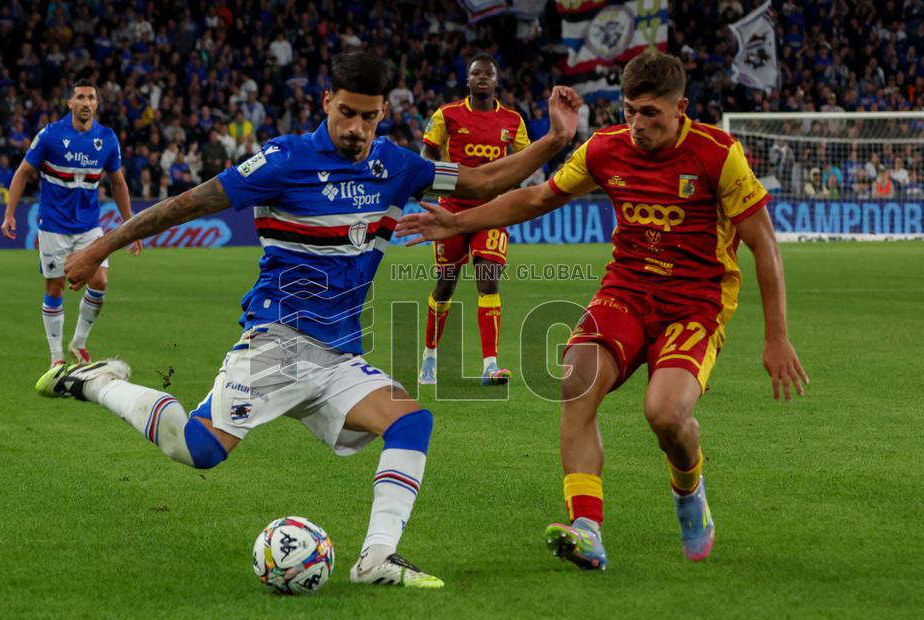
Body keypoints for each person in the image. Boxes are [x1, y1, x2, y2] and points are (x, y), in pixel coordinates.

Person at [39, 53, 580, 588]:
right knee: (198, 450)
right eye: (347, 113)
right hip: (278, 345)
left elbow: (483, 182)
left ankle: (377, 560)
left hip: (340, 356)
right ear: (326, 102)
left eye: (369, 117)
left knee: (412, 422)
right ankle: (99, 382)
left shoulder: (396, 166)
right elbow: (185, 205)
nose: (357, 128)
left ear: (383, 112)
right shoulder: (283, 160)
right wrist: (101, 248)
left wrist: (555, 141)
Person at [397, 52, 808, 570]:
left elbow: (763, 244)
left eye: (651, 114)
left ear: (680, 108)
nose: (637, 124)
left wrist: (777, 337)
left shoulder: (717, 154)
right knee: (575, 381)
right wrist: (458, 223)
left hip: (695, 304)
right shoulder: (606, 148)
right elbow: (536, 199)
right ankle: (587, 526)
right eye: (630, 110)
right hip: (627, 291)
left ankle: (688, 490)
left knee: (665, 415)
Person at [0, 80, 140, 368]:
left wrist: (131, 227)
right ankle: (56, 357)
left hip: (89, 226)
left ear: (97, 104)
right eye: (80, 97)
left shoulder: (107, 139)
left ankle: (79, 342)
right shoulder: (50, 135)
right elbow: (23, 172)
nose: (86, 102)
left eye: (91, 97)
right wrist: (9, 213)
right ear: (70, 103)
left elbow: (118, 183)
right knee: (55, 288)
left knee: (99, 281)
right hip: (53, 225)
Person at [418, 53, 531, 385]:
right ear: (467, 80)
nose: (482, 78)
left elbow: (524, 161)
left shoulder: (512, 120)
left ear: (496, 80)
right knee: (445, 286)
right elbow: (427, 153)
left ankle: (490, 366)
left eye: (488, 74)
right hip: (450, 212)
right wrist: (440, 180)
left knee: (488, 279)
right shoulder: (447, 114)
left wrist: (507, 186)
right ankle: (429, 357)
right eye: (476, 73)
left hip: (491, 212)